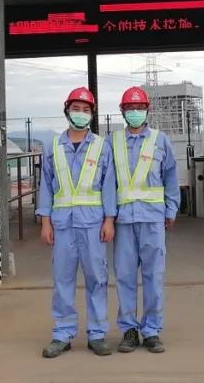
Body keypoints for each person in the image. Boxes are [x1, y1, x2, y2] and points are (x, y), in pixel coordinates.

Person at [36, 87, 117, 359]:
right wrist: (45, 222)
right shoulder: (53, 147)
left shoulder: (101, 146)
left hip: (93, 224)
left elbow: (108, 186)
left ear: (92, 114)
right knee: (63, 280)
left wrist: (109, 220)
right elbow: (46, 186)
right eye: (76, 109)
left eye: (85, 110)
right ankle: (62, 333)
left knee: (97, 278)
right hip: (62, 225)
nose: (80, 114)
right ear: (67, 111)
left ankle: (97, 334)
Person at [111, 86, 180, 354]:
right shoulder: (112, 142)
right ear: (122, 111)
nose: (135, 112)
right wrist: (107, 217)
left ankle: (151, 330)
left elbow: (170, 176)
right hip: (123, 222)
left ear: (147, 110)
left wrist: (171, 209)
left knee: (153, 277)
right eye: (130, 108)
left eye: (139, 108)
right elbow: (107, 182)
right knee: (125, 277)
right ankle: (129, 330)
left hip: (152, 220)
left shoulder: (160, 141)